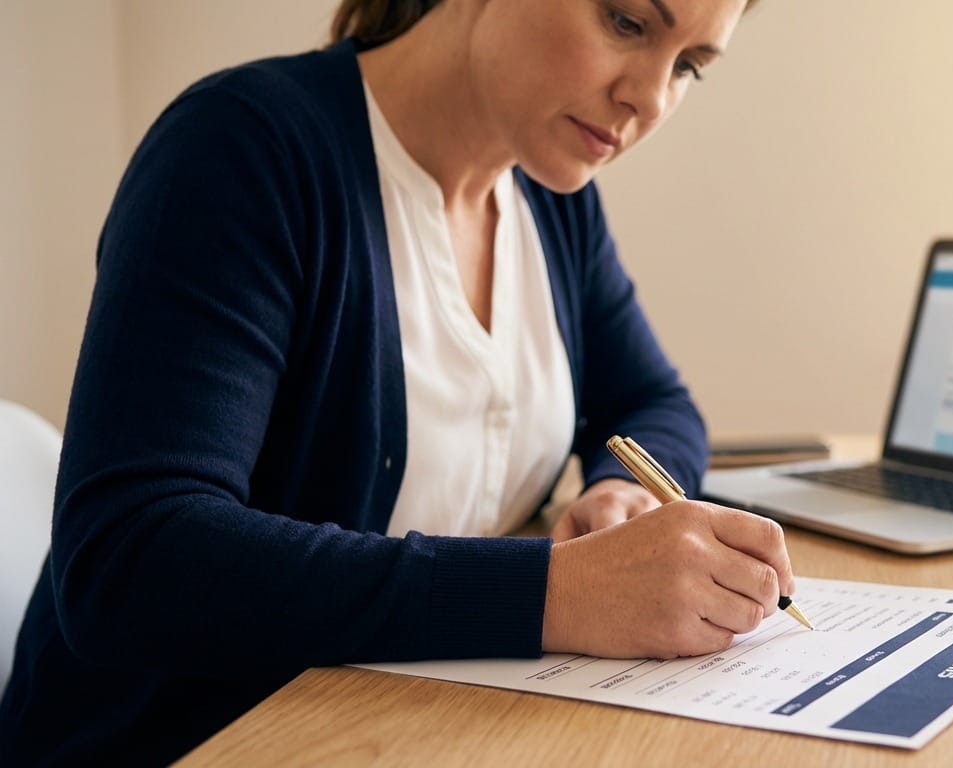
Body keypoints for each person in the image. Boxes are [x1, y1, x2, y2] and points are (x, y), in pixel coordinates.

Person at [0, 0, 790, 764]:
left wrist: (628, 492)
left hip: (408, 724)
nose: (649, 98)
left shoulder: (550, 203)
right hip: (195, 744)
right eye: (626, 22)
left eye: (689, 65)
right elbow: (133, 560)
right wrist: (560, 593)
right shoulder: (242, 151)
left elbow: (653, 402)